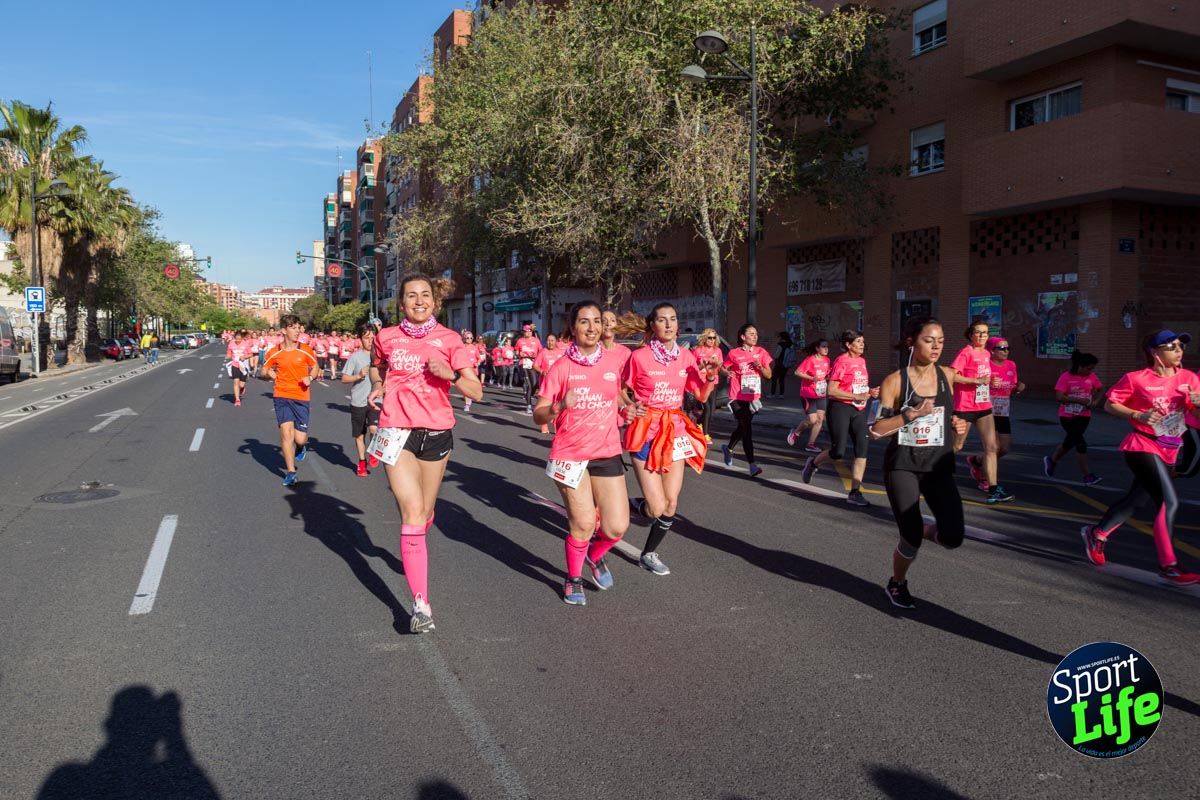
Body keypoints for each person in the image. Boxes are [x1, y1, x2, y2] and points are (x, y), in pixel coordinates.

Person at [368, 273, 482, 632]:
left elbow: (475, 391)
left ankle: (414, 543)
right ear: (401, 303)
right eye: (411, 296)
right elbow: (378, 365)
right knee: (412, 512)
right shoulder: (386, 337)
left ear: (434, 301)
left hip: (436, 433)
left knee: (426, 511)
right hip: (395, 430)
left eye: (426, 295)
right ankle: (422, 606)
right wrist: (376, 384)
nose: (419, 301)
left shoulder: (449, 339)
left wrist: (448, 373)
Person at [534, 301, 641, 605]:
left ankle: (594, 556)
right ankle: (573, 578)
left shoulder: (612, 363)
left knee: (616, 526)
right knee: (582, 523)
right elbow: (538, 414)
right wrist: (558, 406)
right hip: (570, 455)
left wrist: (628, 410)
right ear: (573, 327)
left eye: (596, 321)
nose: (592, 327)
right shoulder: (561, 367)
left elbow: (616, 400)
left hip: (606, 452)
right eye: (584, 322)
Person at [1080, 330, 1199, 585]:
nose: (1179, 350)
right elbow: (1111, 404)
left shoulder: (1190, 378)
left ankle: (1097, 534)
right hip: (1142, 445)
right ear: (1155, 353)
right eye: (1172, 346)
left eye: (1180, 346)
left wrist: (1197, 405)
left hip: (1170, 448)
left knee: (1137, 500)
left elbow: (1195, 416)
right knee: (1169, 502)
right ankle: (1169, 566)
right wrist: (1137, 415)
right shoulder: (1137, 379)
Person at [871, 317, 969, 608]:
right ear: (911, 341)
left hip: (939, 465)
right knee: (910, 536)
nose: (937, 346)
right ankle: (897, 582)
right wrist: (910, 415)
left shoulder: (948, 376)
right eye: (929, 340)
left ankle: (919, 527)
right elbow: (876, 429)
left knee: (953, 537)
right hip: (903, 465)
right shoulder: (895, 381)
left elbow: (957, 444)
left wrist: (960, 432)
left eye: (940, 340)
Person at [622, 302, 719, 576]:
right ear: (652, 326)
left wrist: (711, 377)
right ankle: (635, 505)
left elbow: (699, 394)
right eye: (662, 320)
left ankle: (649, 553)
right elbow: (621, 389)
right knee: (656, 507)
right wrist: (629, 405)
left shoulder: (686, 357)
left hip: (674, 430)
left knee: (671, 503)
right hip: (645, 430)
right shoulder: (639, 357)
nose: (668, 324)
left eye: (673, 319)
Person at [802, 330, 877, 506]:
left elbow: (857, 386)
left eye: (863, 341)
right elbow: (831, 390)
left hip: (858, 410)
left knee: (862, 448)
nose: (862, 344)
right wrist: (855, 397)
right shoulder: (841, 361)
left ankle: (855, 492)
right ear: (848, 345)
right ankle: (813, 463)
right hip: (840, 408)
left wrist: (869, 392)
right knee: (838, 452)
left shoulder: (862, 361)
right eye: (858, 341)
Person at [954, 318, 1013, 504]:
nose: (982, 336)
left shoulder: (988, 354)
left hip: (984, 406)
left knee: (992, 447)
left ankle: (994, 489)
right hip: (965, 406)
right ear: (971, 335)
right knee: (956, 447)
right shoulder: (966, 352)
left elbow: (987, 377)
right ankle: (928, 471)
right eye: (978, 332)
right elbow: (952, 375)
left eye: (985, 333)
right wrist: (975, 381)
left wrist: (991, 382)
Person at [260, 315, 320, 486]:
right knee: (286, 434)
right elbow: (264, 370)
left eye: (298, 327)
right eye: (293, 328)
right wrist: (269, 373)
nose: (297, 331)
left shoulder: (305, 350)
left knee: (300, 439)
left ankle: (301, 447)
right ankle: (291, 472)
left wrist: (310, 377)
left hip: (301, 397)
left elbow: (315, 367)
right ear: (284, 330)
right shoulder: (274, 352)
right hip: (282, 395)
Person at [720, 324, 773, 477]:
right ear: (743, 337)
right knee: (746, 428)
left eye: (756, 333)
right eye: (751, 334)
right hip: (736, 396)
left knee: (743, 427)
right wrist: (727, 374)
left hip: (752, 396)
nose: (755, 336)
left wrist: (760, 367)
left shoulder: (761, 352)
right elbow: (723, 368)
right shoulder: (734, 353)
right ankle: (752, 465)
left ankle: (728, 448)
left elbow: (769, 375)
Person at [1044, 350, 1104, 485]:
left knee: (1070, 442)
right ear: (1080, 366)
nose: (1090, 371)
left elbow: (1101, 389)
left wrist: (1096, 401)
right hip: (1067, 416)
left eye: (1092, 369)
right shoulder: (1066, 377)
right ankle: (1087, 475)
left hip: (1084, 415)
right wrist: (1078, 401)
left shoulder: (1092, 377)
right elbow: (1059, 397)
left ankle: (1051, 460)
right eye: (1089, 368)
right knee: (1081, 444)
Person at [342, 322, 380, 477]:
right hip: (358, 400)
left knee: (374, 429)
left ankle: (373, 452)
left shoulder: (381, 356)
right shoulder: (355, 357)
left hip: (377, 399)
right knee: (359, 435)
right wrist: (358, 376)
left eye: (373, 337)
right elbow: (344, 378)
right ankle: (362, 462)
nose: (370, 340)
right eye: (366, 338)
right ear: (360, 339)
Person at [985, 336, 1025, 475]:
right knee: (993, 447)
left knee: (1004, 448)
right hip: (987, 411)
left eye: (1008, 348)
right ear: (991, 350)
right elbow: (975, 384)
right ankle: (986, 478)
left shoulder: (1011, 365)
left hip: (1003, 411)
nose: (1006, 351)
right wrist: (988, 383)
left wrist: (1018, 388)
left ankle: (978, 462)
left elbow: (1012, 388)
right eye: (1002, 348)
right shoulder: (986, 364)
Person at [787, 339, 831, 454]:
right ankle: (796, 432)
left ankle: (810, 444)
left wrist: (828, 377)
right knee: (812, 420)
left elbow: (826, 374)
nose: (826, 349)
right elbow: (797, 372)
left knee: (820, 419)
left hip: (821, 394)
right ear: (817, 348)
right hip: (808, 394)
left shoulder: (827, 360)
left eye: (827, 346)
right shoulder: (810, 360)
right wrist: (811, 378)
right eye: (823, 346)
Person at [691, 329, 723, 439]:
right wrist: (703, 365)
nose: (712, 340)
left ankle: (699, 423)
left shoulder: (717, 350)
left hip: (713, 381)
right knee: (707, 408)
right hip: (701, 382)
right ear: (705, 338)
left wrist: (716, 363)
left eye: (714, 338)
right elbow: (694, 368)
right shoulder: (698, 350)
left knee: (712, 409)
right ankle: (705, 433)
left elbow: (720, 365)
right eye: (710, 338)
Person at [532, 333, 565, 434]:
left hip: (559, 383)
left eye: (552, 340)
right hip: (546, 384)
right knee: (545, 405)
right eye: (548, 340)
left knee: (559, 405)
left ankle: (557, 426)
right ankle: (544, 425)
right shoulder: (543, 352)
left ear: (556, 341)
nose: (550, 342)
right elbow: (535, 365)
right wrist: (542, 371)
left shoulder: (561, 353)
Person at [516, 324, 543, 415]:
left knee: (535, 384)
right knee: (529, 384)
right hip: (523, 363)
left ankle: (529, 396)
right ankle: (529, 406)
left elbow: (541, 352)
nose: (528, 332)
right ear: (524, 332)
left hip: (533, 363)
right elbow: (516, 352)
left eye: (530, 331)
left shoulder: (536, 340)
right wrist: (519, 354)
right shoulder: (520, 341)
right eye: (527, 331)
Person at [225, 330, 254, 407]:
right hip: (235, 365)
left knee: (241, 385)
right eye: (236, 339)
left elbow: (251, 354)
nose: (238, 341)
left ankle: (242, 388)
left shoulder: (245, 344)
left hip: (243, 366)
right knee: (235, 382)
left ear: (242, 338)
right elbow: (229, 353)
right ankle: (237, 399)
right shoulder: (231, 343)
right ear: (234, 338)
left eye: (239, 339)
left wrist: (244, 356)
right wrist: (228, 356)